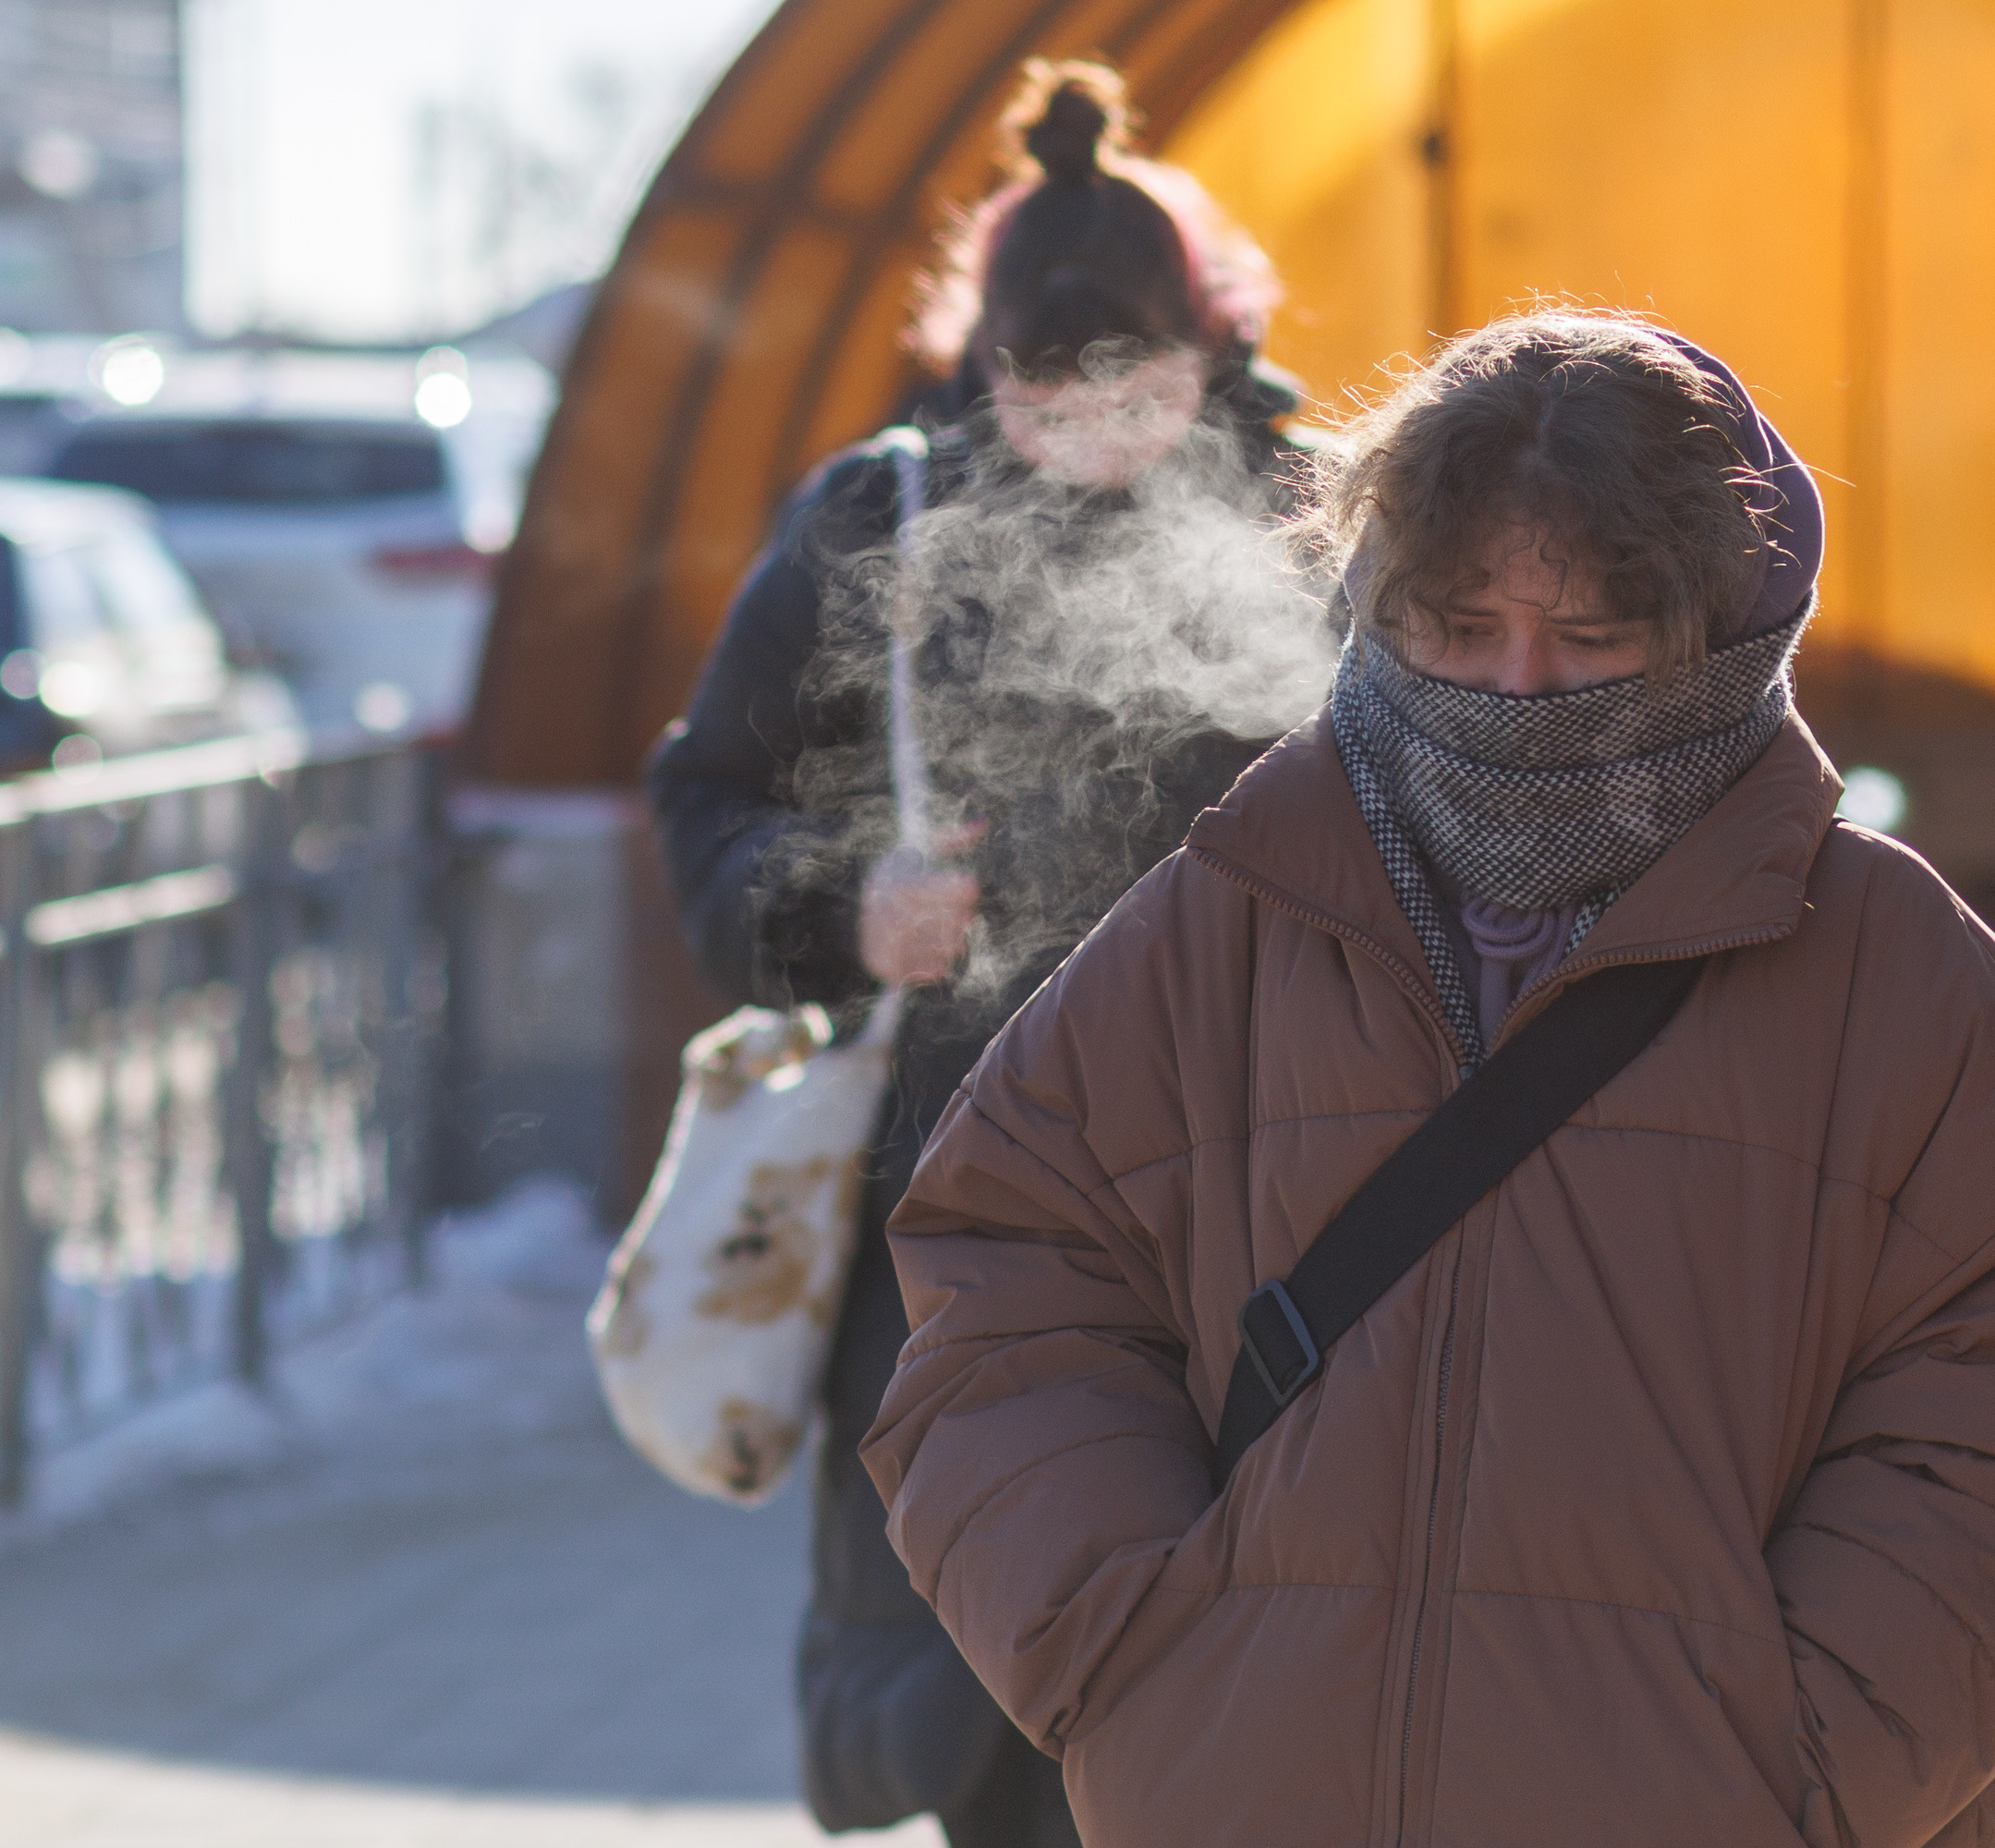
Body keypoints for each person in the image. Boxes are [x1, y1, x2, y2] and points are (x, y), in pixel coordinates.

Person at [860, 312, 1995, 1847]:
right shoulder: (1223, 918)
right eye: (1457, 627)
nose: (1519, 688)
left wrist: (1791, 1765)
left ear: (1719, 631)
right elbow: (1008, 1281)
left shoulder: (1902, 975)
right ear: (1381, 612)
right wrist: (1135, 1658)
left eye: (1592, 639)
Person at [645, 60, 1323, 1848]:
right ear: (982, 362)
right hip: (951, 1219)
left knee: (1252, 1696)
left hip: (1277, 1204)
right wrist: (842, 907)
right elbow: (708, 795)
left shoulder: (1323, 515)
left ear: (1217, 343)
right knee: (994, 1698)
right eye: (1049, 394)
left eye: (1146, 389)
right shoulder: (872, 519)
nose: (1099, 432)